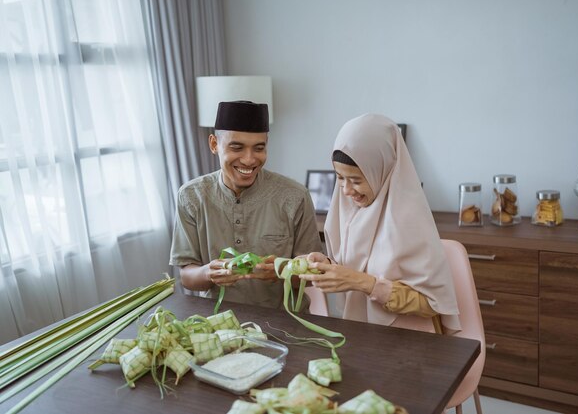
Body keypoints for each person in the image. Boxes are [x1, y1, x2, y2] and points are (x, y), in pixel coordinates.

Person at [299, 113, 460, 333]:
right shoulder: (348, 213)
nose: (346, 191)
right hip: (362, 335)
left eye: (356, 180)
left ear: (382, 171)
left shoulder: (409, 222)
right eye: (340, 177)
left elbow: (430, 303)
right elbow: (356, 265)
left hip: (411, 340)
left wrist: (363, 283)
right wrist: (326, 264)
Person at [169, 100, 323, 309]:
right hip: (218, 326)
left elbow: (311, 276)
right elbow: (187, 276)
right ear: (214, 144)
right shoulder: (191, 196)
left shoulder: (294, 196)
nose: (249, 160)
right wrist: (209, 273)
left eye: (259, 148)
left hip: (286, 325)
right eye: (237, 147)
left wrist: (281, 271)